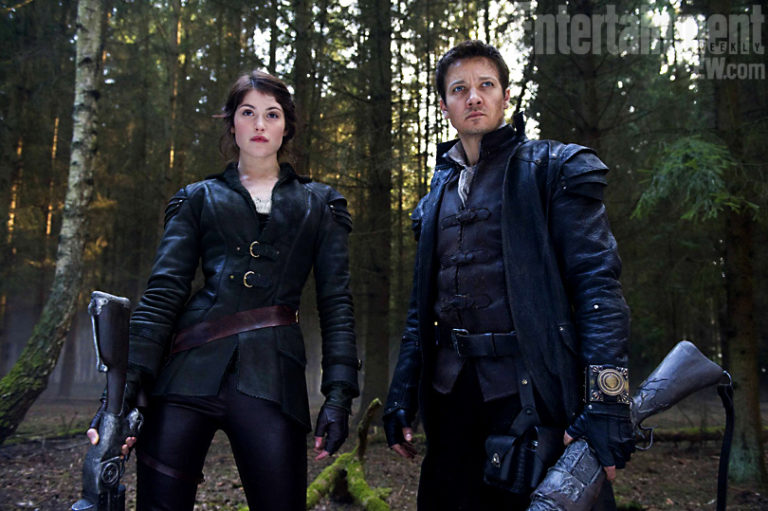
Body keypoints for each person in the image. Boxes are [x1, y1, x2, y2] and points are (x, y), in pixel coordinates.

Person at [87, 70, 360, 510]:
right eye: (247, 112)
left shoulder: (320, 204)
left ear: (286, 126)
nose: (259, 124)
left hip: (273, 379)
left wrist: (340, 394)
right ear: (231, 123)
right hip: (186, 375)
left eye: (271, 114)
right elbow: (164, 292)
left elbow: (336, 304)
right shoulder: (198, 198)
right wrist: (122, 388)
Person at [383, 41, 634, 510]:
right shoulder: (436, 196)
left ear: (505, 97)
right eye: (459, 89)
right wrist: (401, 394)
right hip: (450, 400)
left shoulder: (553, 168)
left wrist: (607, 401)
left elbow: (598, 287)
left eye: (486, 85)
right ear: (445, 106)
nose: (473, 97)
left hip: (533, 395)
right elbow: (422, 310)